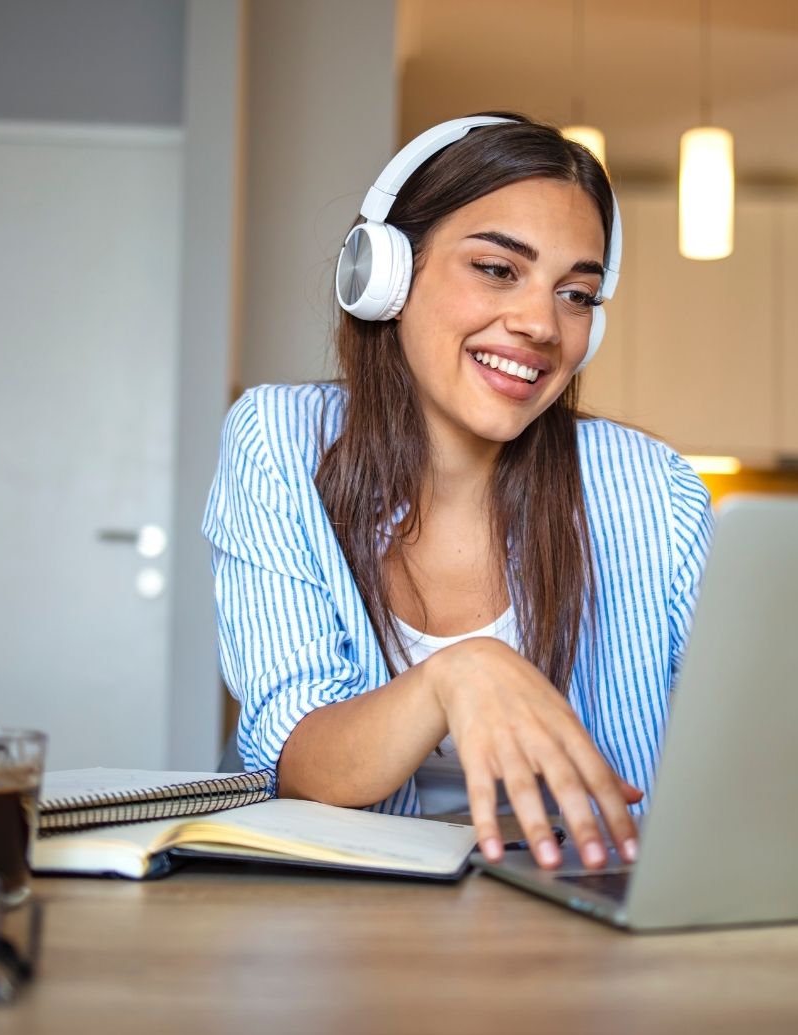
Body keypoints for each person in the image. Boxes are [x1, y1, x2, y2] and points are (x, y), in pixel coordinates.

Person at [203, 114, 713, 872]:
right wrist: (458, 674)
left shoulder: (654, 490)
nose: (542, 323)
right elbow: (298, 757)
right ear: (386, 278)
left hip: (589, 911)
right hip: (350, 919)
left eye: (577, 294)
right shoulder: (278, 442)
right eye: (498, 269)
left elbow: (749, 742)